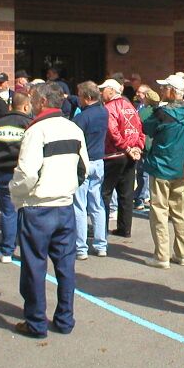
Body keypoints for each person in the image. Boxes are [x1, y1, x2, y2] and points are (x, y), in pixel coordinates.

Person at [9, 82, 89, 338]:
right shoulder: (73, 128)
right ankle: (65, 318)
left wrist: (16, 194)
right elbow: (82, 169)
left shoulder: (36, 131)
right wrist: (67, 187)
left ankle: (36, 322)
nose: (31, 103)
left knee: (34, 267)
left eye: (34, 99)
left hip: (38, 207)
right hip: (64, 205)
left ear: (42, 102)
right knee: (65, 267)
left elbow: (27, 173)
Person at [142, 74, 184, 268]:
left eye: (165, 87)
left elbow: (146, 127)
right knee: (181, 212)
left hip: (160, 166)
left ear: (173, 91)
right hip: (181, 167)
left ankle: (162, 256)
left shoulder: (162, 113)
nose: (162, 90)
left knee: (159, 211)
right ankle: (182, 253)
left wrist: (153, 108)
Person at [0, 92, 31, 263]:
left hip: (3, 174)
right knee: (26, 213)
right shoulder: (30, 126)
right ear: (26, 106)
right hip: (24, 175)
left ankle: (7, 251)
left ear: (10, 106)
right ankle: (27, 251)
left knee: (8, 212)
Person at [99, 78, 145, 238]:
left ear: (111, 90)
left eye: (103, 89)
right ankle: (125, 229)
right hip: (131, 154)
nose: (101, 92)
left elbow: (113, 131)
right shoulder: (130, 106)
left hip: (114, 155)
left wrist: (126, 147)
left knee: (105, 193)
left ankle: (101, 229)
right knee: (126, 194)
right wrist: (137, 147)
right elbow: (139, 127)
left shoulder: (109, 107)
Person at [72, 81, 110, 259]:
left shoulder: (82, 118)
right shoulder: (104, 111)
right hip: (99, 161)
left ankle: (81, 247)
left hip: (83, 162)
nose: (78, 99)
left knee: (80, 205)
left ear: (87, 98)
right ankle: (101, 244)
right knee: (97, 204)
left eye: (80, 95)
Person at [134, 87, 160, 211]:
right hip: (156, 146)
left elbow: (138, 128)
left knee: (142, 173)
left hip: (145, 146)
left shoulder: (142, 113)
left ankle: (140, 198)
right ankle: (150, 198)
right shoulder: (161, 112)